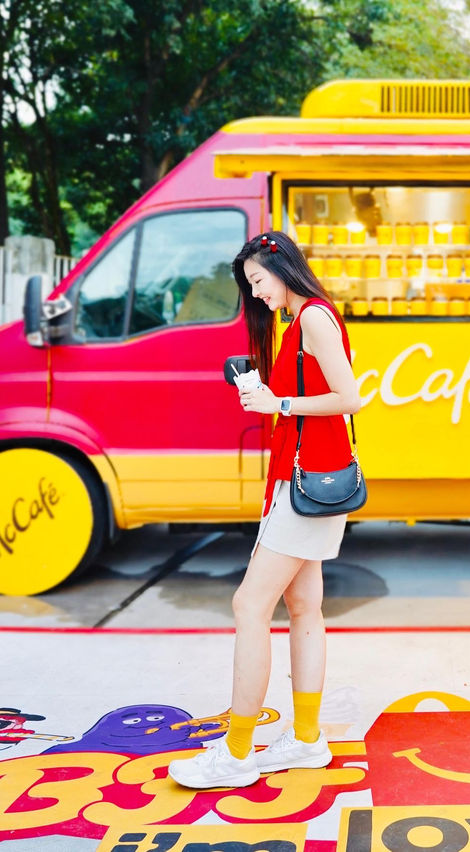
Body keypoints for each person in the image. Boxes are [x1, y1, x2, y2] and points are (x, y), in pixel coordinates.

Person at [168, 230, 361, 789]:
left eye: (258, 280)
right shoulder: (299, 322)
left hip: (309, 482)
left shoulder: (315, 318)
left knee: (249, 604)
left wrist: (277, 401)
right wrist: (269, 396)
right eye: (249, 285)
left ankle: (235, 751)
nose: (256, 294)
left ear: (283, 269)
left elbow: (349, 398)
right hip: (305, 480)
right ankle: (304, 739)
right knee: (304, 606)